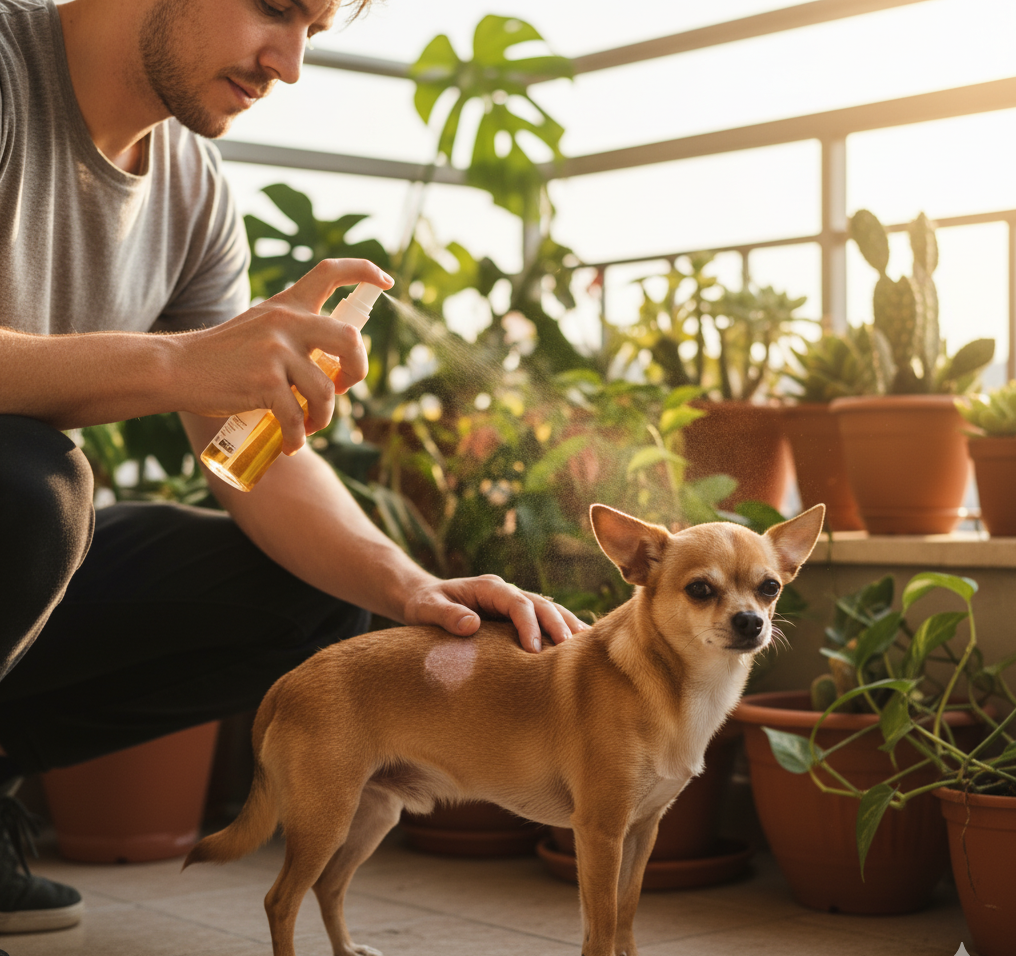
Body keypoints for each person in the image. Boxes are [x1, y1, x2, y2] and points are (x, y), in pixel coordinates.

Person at [0, 0, 587, 936]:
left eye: (314, 27)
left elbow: (251, 463)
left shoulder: (191, 193)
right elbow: (179, 378)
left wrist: (415, 588)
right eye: (275, 7)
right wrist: (177, 362)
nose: (291, 63)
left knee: (317, 603)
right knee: (30, 486)